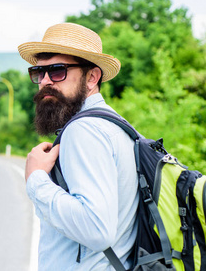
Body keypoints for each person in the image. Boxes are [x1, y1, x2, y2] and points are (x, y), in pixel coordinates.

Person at [18, 23, 139, 270]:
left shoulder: (83, 130)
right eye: (39, 73)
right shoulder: (117, 125)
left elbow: (97, 230)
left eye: (58, 71)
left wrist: (36, 179)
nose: (45, 82)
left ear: (92, 77)